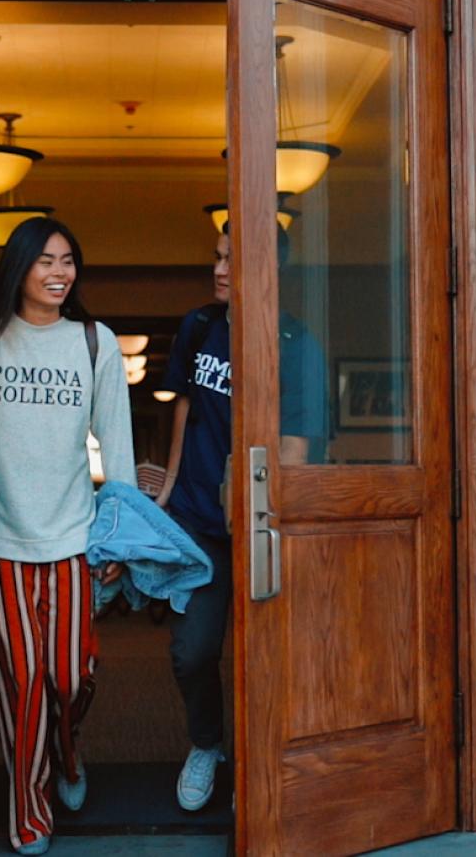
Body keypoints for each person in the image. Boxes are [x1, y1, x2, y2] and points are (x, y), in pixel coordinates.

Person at [0, 217, 136, 856]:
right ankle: (30, 813)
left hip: (73, 537)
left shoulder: (94, 343)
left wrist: (117, 540)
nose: (59, 273)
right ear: (19, 267)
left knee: (68, 677)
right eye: (45, 261)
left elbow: (118, 451)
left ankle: (68, 752)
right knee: (21, 681)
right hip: (1, 541)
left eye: (68, 261)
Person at [154, 224, 327, 811]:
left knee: (265, 656)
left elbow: (299, 449)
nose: (220, 269)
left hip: (259, 527)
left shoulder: (296, 346)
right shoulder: (198, 326)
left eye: (235, 260)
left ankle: (260, 770)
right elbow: (183, 404)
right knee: (193, 652)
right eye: (218, 257)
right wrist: (173, 483)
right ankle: (207, 745)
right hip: (200, 524)